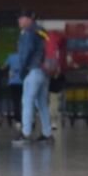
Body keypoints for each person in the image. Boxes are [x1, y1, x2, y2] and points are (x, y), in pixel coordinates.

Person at [13, 11, 53, 144]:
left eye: (21, 18)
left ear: (29, 19)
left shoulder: (28, 32)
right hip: (45, 71)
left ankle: (26, 133)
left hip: (33, 70)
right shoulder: (42, 31)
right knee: (42, 104)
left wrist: (22, 70)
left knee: (27, 101)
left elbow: (26, 52)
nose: (19, 21)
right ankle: (47, 133)